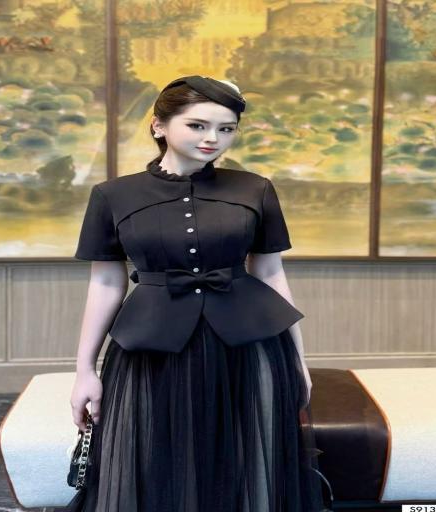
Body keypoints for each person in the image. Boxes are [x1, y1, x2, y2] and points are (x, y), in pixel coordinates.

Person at [58, 75, 327, 511]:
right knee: (157, 460)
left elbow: (271, 274)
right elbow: (106, 283)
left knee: (246, 461)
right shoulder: (113, 195)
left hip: (249, 347)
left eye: (226, 129)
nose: (212, 139)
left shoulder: (255, 188)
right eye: (197, 125)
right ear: (159, 125)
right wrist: (84, 369)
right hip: (151, 349)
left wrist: (299, 359)